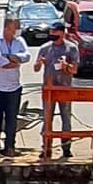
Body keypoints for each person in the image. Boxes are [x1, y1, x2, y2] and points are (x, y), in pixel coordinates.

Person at [34, 18, 80, 158]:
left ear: (62, 33)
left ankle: (66, 148)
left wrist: (67, 66)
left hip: (65, 89)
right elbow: (36, 68)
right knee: (47, 118)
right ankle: (46, 147)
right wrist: (40, 63)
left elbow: (75, 70)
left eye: (55, 32)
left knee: (66, 118)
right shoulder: (45, 48)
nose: (53, 34)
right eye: (51, 32)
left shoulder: (71, 48)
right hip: (49, 90)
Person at [0, 14, 29, 157]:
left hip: (14, 87)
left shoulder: (19, 41)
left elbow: (26, 56)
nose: (16, 32)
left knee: (12, 120)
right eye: (14, 28)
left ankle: (10, 147)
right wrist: (15, 61)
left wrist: (10, 57)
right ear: (6, 28)